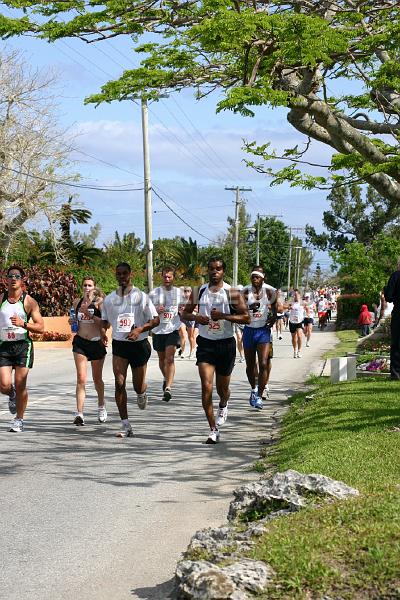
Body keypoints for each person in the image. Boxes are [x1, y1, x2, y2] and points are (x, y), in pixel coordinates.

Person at [181, 257, 250, 444]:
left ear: (223, 271)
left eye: (218, 269)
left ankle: (224, 403)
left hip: (226, 344)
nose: (214, 272)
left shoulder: (232, 292)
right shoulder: (199, 291)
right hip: (206, 344)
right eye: (211, 269)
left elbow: (246, 318)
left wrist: (224, 316)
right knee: (206, 386)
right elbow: (184, 313)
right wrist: (196, 317)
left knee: (223, 389)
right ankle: (213, 429)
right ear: (207, 271)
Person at [101, 263, 159, 438]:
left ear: (130, 274)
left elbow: (155, 320)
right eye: (118, 274)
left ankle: (142, 392)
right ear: (115, 275)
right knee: (119, 383)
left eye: (125, 273)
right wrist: (103, 332)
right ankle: (125, 425)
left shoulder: (141, 297)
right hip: (120, 344)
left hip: (139, 345)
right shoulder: (109, 299)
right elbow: (105, 321)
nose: (122, 277)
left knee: (137, 386)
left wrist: (140, 329)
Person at [0, 265, 44, 432]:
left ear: (22, 280)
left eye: (17, 276)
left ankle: (19, 419)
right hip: (4, 345)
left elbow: (41, 327)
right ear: (6, 279)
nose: (13, 278)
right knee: (4, 385)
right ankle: (11, 395)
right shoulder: (1, 299)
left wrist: (23, 324)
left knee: (20, 384)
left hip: (22, 346)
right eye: (10, 276)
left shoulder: (29, 301)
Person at [70, 277, 107, 426]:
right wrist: (72, 322)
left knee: (97, 379)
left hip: (96, 342)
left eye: (90, 285)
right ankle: (79, 413)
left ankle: (101, 406)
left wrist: (90, 314)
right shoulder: (76, 302)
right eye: (84, 285)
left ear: (94, 287)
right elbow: (74, 320)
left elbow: (106, 323)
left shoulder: (100, 303)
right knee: (81, 378)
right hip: (80, 342)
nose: (87, 287)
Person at [243, 266, 280, 409]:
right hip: (249, 330)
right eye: (252, 277)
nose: (254, 279)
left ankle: (259, 395)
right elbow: (237, 309)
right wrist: (249, 308)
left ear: (263, 278)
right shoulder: (245, 291)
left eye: (257, 277)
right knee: (250, 365)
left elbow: (276, 306)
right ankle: (253, 389)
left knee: (263, 363)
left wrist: (274, 317)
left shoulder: (270, 291)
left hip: (263, 331)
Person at [149, 266, 183, 402]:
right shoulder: (154, 293)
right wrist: (156, 310)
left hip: (172, 328)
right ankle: (166, 377)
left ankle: (168, 387)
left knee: (170, 359)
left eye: (169, 276)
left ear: (173, 277)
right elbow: (147, 311)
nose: (167, 279)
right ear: (161, 277)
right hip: (158, 330)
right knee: (162, 359)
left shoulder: (179, 293)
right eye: (165, 276)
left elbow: (184, 308)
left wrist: (182, 309)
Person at [384, 260, 400, 380]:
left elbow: (389, 297)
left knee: (397, 344)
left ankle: (396, 374)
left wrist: (386, 289)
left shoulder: (395, 276)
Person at [178, 286, 197, 359]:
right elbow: (177, 308)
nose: (186, 292)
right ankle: (183, 352)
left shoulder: (193, 300)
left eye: (188, 291)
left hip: (191, 318)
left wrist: (190, 310)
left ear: (191, 292)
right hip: (182, 318)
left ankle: (192, 351)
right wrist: (180, 310)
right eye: (185, 291)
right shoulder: (180, 299)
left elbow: (198, 310)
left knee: (191, 337)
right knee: (183, 334)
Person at [289, 289, 305, 358]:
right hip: (292, 322)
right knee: (293, 338)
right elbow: (284, 308)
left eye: (296, 294)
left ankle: (299, 351)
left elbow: (307, 308)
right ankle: (295, 350)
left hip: (299, 322)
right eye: (294, 294)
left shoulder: (302, 303)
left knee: (299, 336)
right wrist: (288, 307)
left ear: (299, 295)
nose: (295, 296)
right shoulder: (290, 302)